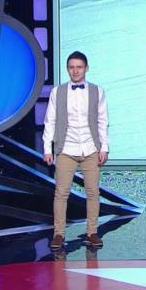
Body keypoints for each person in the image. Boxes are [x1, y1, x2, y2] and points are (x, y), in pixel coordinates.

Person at [42, 51, 109, 250]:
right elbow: (50, 121)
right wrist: (47, 149)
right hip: (66, 148)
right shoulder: (58, 92)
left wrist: (104, 147)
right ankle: (59, 234)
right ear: (67, 69)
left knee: (93, 192)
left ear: (86, 68)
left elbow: (102, 121)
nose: (75, 71)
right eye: (72, 67)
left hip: (91, 148)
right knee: (61, 193)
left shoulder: (97, 91)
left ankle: (92, 232)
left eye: (79, 67)